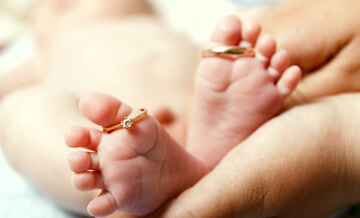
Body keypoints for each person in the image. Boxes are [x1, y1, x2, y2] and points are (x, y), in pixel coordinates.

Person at [0, 0, 359, 217]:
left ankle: (211, 137)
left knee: (235, 38)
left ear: (147, 0)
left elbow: (247, 22)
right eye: (45, 3)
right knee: (20, 111)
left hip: (195, 109)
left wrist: (255, 24)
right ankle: (108, 173)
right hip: (107, 133)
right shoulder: (37, 56)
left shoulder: (172, 21)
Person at [65, 14, 301, 216]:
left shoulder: (161, 20)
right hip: (122, 135)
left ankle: (194, 156)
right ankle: (110, 175)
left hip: (188, 111)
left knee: (31, 107)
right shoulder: (39, 58)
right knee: (31, 106)